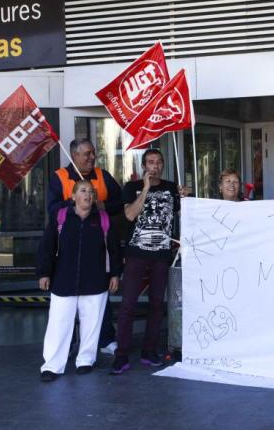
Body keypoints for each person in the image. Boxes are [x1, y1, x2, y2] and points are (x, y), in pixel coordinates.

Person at [36, 180, 121, 382]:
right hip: (63, 280)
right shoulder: (61, 217)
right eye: (83, 191)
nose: (88, 195)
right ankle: (52, 366)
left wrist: (115, 274)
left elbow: (114, 250)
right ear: (73, 196)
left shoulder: (102, 218)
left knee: (91, 324)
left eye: (91, 192)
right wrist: (44, 273)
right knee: (58, 324)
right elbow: (47, 246)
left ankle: (85, 360)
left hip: (95, 281)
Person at [112, 149, 186, 374]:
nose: (155, 166)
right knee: (128, 304)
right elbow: (130, 215)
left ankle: (149, 351)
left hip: (161, 255)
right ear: (144, 166)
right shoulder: (131, 187)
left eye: (159, 162)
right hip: (136, 254)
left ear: (163, 165)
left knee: (156, 305)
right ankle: (121, 355)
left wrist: (185, 198)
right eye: (151, 162)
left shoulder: (171, 188)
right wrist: (144, 189)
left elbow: (184, 214)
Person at [47, 138, 123, 355]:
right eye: (87, 153)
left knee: (99, 297)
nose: (92, 157)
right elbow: (52, 209)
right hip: (69, 248)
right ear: (74, 155)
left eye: (93, 153)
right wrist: (79, 201)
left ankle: (105, 339)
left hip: (98, 246)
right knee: (67, 303)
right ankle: (69, 343)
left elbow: (121, 202)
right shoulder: (59, 177)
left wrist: (102, 205)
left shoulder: (102, 175)